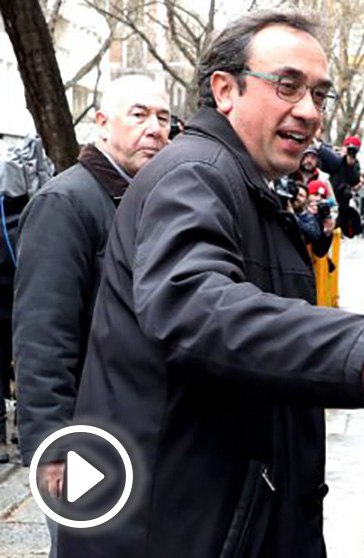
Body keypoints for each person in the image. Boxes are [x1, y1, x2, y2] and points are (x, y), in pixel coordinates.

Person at [61, 11, 364, 557]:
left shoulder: (249, 185)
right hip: (177, 526)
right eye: (287, 86)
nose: (309, 111)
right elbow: (194, 305)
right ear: (225, 89)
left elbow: (271, 349)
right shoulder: (192, 173)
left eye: (319, 93)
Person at [12, 74, 171, 557]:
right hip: (84, 439)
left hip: (134, 433)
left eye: (164, 118)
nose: (155, 129)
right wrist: (52, 449)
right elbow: (42, 337)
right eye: (139, 114)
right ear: (101, 124)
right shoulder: (67, 201)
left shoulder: (145, 199)